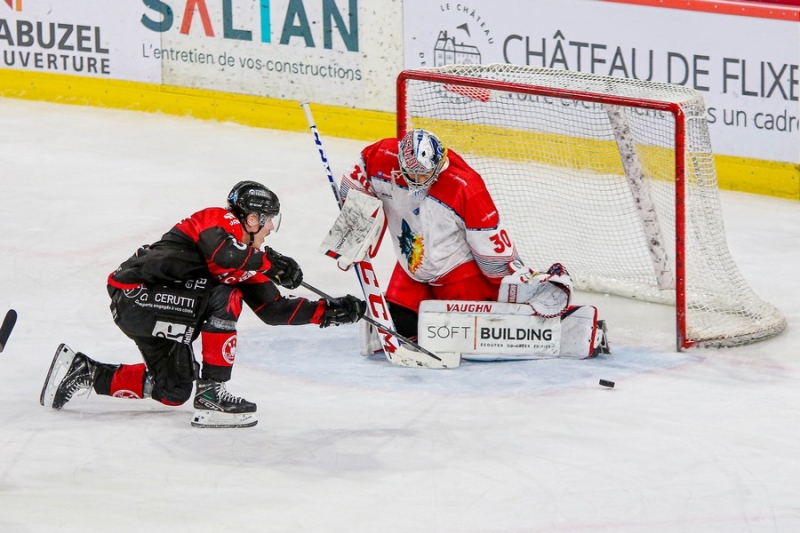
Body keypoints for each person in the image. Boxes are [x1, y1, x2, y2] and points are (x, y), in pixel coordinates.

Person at [40, 181, 366, 428]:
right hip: (136, 296)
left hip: (159, 309)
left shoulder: (248, 259)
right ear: (252, 218)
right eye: (269, 220)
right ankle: (212, 395)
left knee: (174, 390)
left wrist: (330, 312)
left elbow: (274, 309)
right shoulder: (216, 220)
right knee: (226, 296)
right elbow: (224, 255)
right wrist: (270, 263)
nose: (270, 229)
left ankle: (83, 371)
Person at [339, 129, 522, 341]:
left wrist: (516, 288)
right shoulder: (381, 157)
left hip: (458, 274)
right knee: (396, 328)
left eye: (425, 174)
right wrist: (355, 233)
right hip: (411, 267)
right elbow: (354, 182)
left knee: (465, 338)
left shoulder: (465, 186)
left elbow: (491, 247)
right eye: (412, 174)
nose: (419, 180)